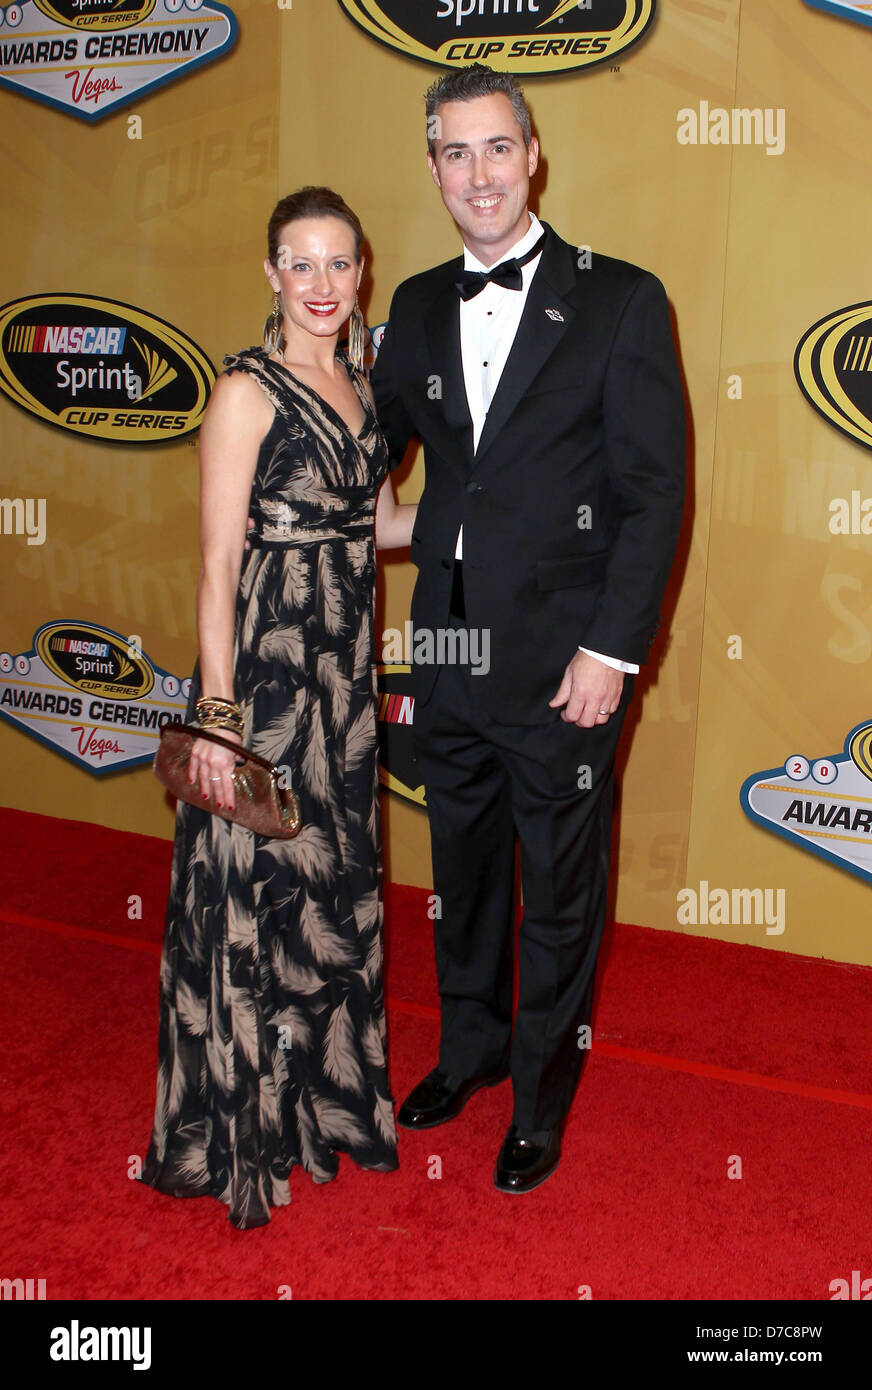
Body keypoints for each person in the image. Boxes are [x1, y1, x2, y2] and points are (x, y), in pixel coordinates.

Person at [371, 66, 686, 1194]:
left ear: (533, 152)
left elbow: (653, 495)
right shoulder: (410, 305)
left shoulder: (619, 298)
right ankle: (471, 1050)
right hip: (447, 655)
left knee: (556, 892)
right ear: (433, 168)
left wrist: (612, 653)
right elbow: (374, 452)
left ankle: (541, 1103)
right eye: (453, 153)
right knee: (462, 874)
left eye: (494, 148)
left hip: (566, 667)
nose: (477, 174)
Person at [140, 186, 415, 1229]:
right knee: (252, 891)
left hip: (342, 683)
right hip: (260, 678)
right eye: (298, 263)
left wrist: (502, 510)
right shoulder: (242, 392)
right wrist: (214, 717)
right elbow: (214, 563)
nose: (319, 284)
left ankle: (315, 1109)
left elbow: (380, 523)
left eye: (338, 264)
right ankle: (239, 1127)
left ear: (362, 275)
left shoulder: (364, 387)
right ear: (270, 273)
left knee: (328, 889)